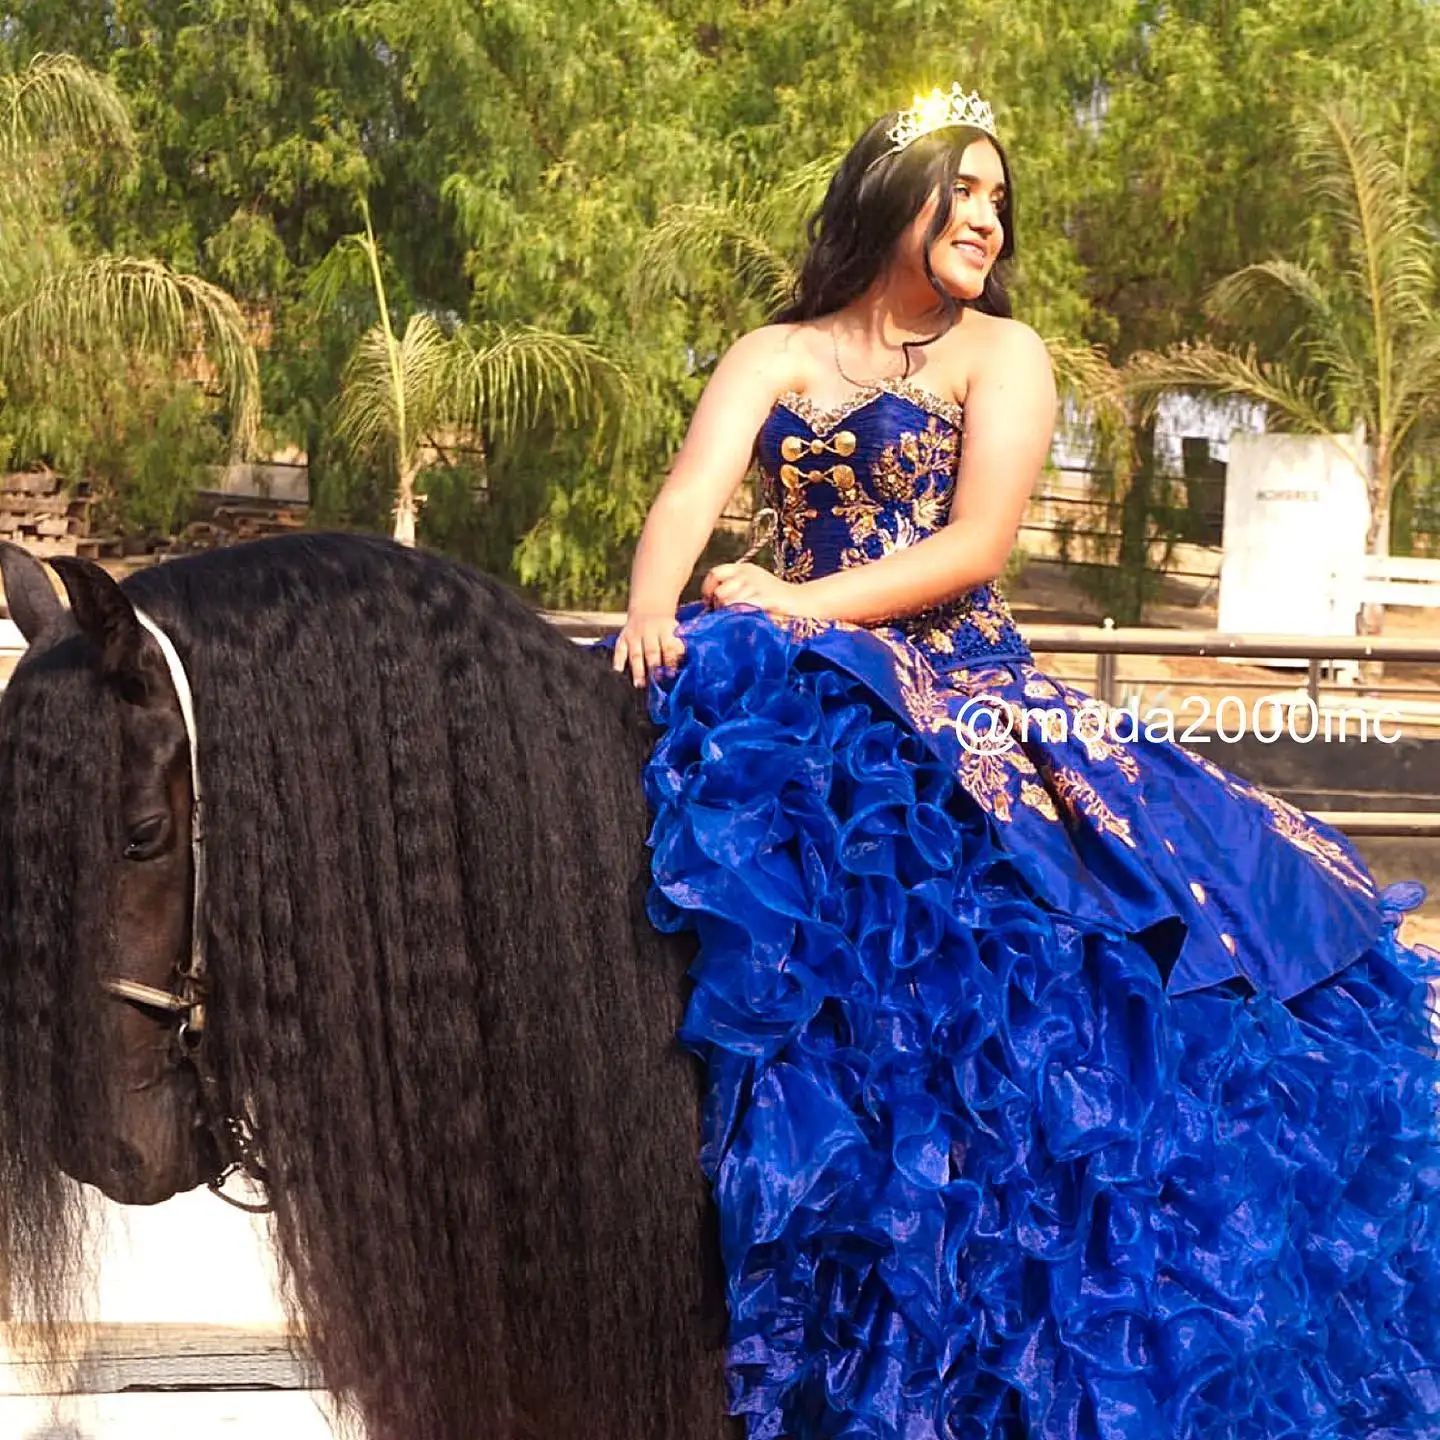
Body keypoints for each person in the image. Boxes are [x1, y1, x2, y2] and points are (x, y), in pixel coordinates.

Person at [612, 84, 1440, 1439]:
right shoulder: (774, 351)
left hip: (963, 688)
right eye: (969, 191)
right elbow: (689, 494)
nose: (991, 220)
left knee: (1075, 967)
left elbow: (976, 544)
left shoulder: (1003, 354)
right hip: (791, 665)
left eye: (1003, 200)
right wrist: (654, 607)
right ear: (897, 193)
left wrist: (788, 604)